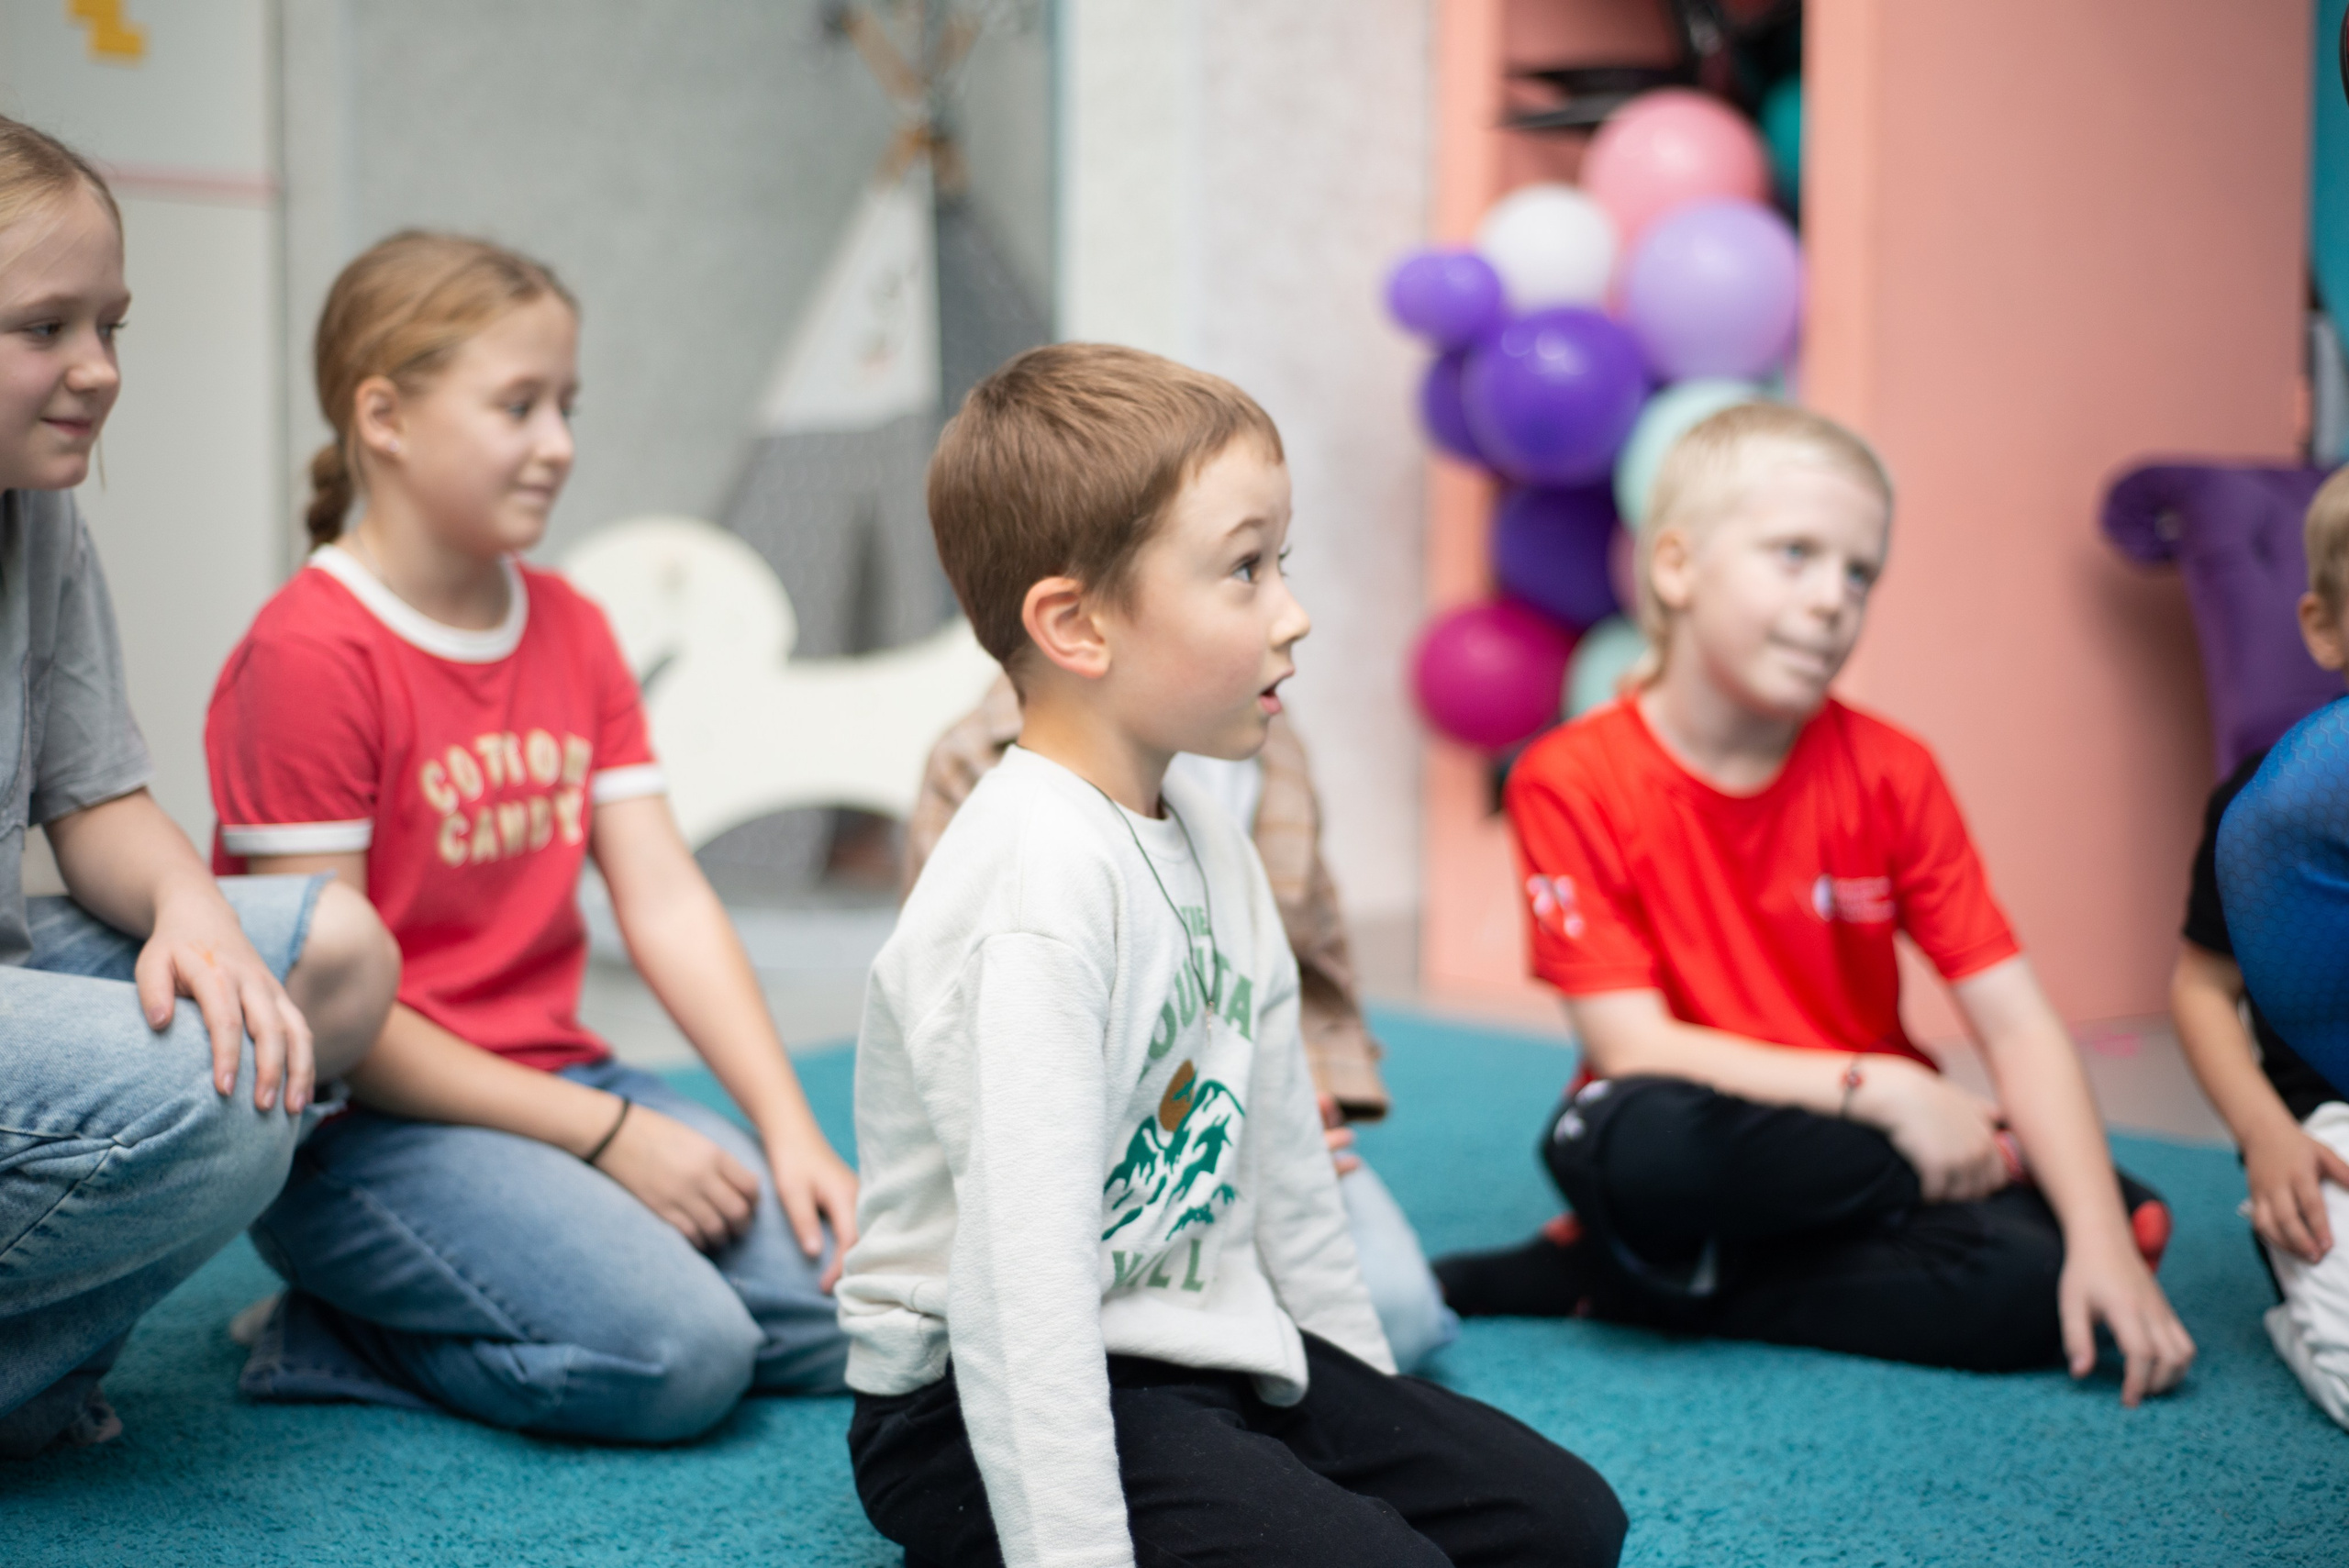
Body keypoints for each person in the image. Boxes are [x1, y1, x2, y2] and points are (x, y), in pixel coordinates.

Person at [840, 343, 1625, 1568]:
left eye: (1282, 563)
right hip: (969, 1405)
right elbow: (1019, 1288)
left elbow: (1289, 1180)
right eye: (1245, 570)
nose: (1292, 613)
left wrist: (1361, 1424)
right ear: (1077, 625)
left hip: (1197, 1339)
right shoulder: (1030, 893)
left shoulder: (1208, 832)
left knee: (1566, 1523)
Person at [203, 231, 856, 1443]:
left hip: (560, 1081)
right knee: (681, 1356)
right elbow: (332, 1017)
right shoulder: (305, 657)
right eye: (519, 405)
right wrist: (612, 1139)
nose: (559, 442)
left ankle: (534, 1275)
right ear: (384, 418)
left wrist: (790, 1129)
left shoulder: (573, 625)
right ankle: (329, 1329)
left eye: (567, 404)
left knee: (869, 1313)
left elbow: (665, 898)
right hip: (362, 1132)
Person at [1434, 403, 2198, 1407]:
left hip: (1841, 1157)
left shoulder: (1894, 771)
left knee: (2034, 1286)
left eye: (1859, 572)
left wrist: (2098, 1239)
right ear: (1676, 568)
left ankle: (1630, 1279)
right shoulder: (1568, 775)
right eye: (1794, 554)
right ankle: (1980, 1177)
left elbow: (2015, 1020)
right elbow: (1630, 1044)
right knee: (1645, 1152)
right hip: (1713, 1125)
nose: (1834, 598)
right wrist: (1888, 1091)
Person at [0, 116, 398, 1459]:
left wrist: (196, 914)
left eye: (110, 324)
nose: (98, 369)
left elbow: (94, 799)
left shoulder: (38, 511)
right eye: (44, 328)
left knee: (326, 962)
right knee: (226, 1098)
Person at [903, 676, 1460, 1372]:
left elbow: (1315, 963)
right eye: (1246, 597)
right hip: (1083, 1149)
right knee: (1051, 1324)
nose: (1292, 626)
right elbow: (960, 1029)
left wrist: (1306, 1096)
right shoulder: (975, 759)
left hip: (1243, 1106)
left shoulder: (1273, 740)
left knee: (1400, 1315)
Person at [2174, 469, 2349, 1429]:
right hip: (2325, 1132)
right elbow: (2202, 988)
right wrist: (2265, 1132)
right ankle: (2303, 1316)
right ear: (2326, 627)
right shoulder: (2269, 804)